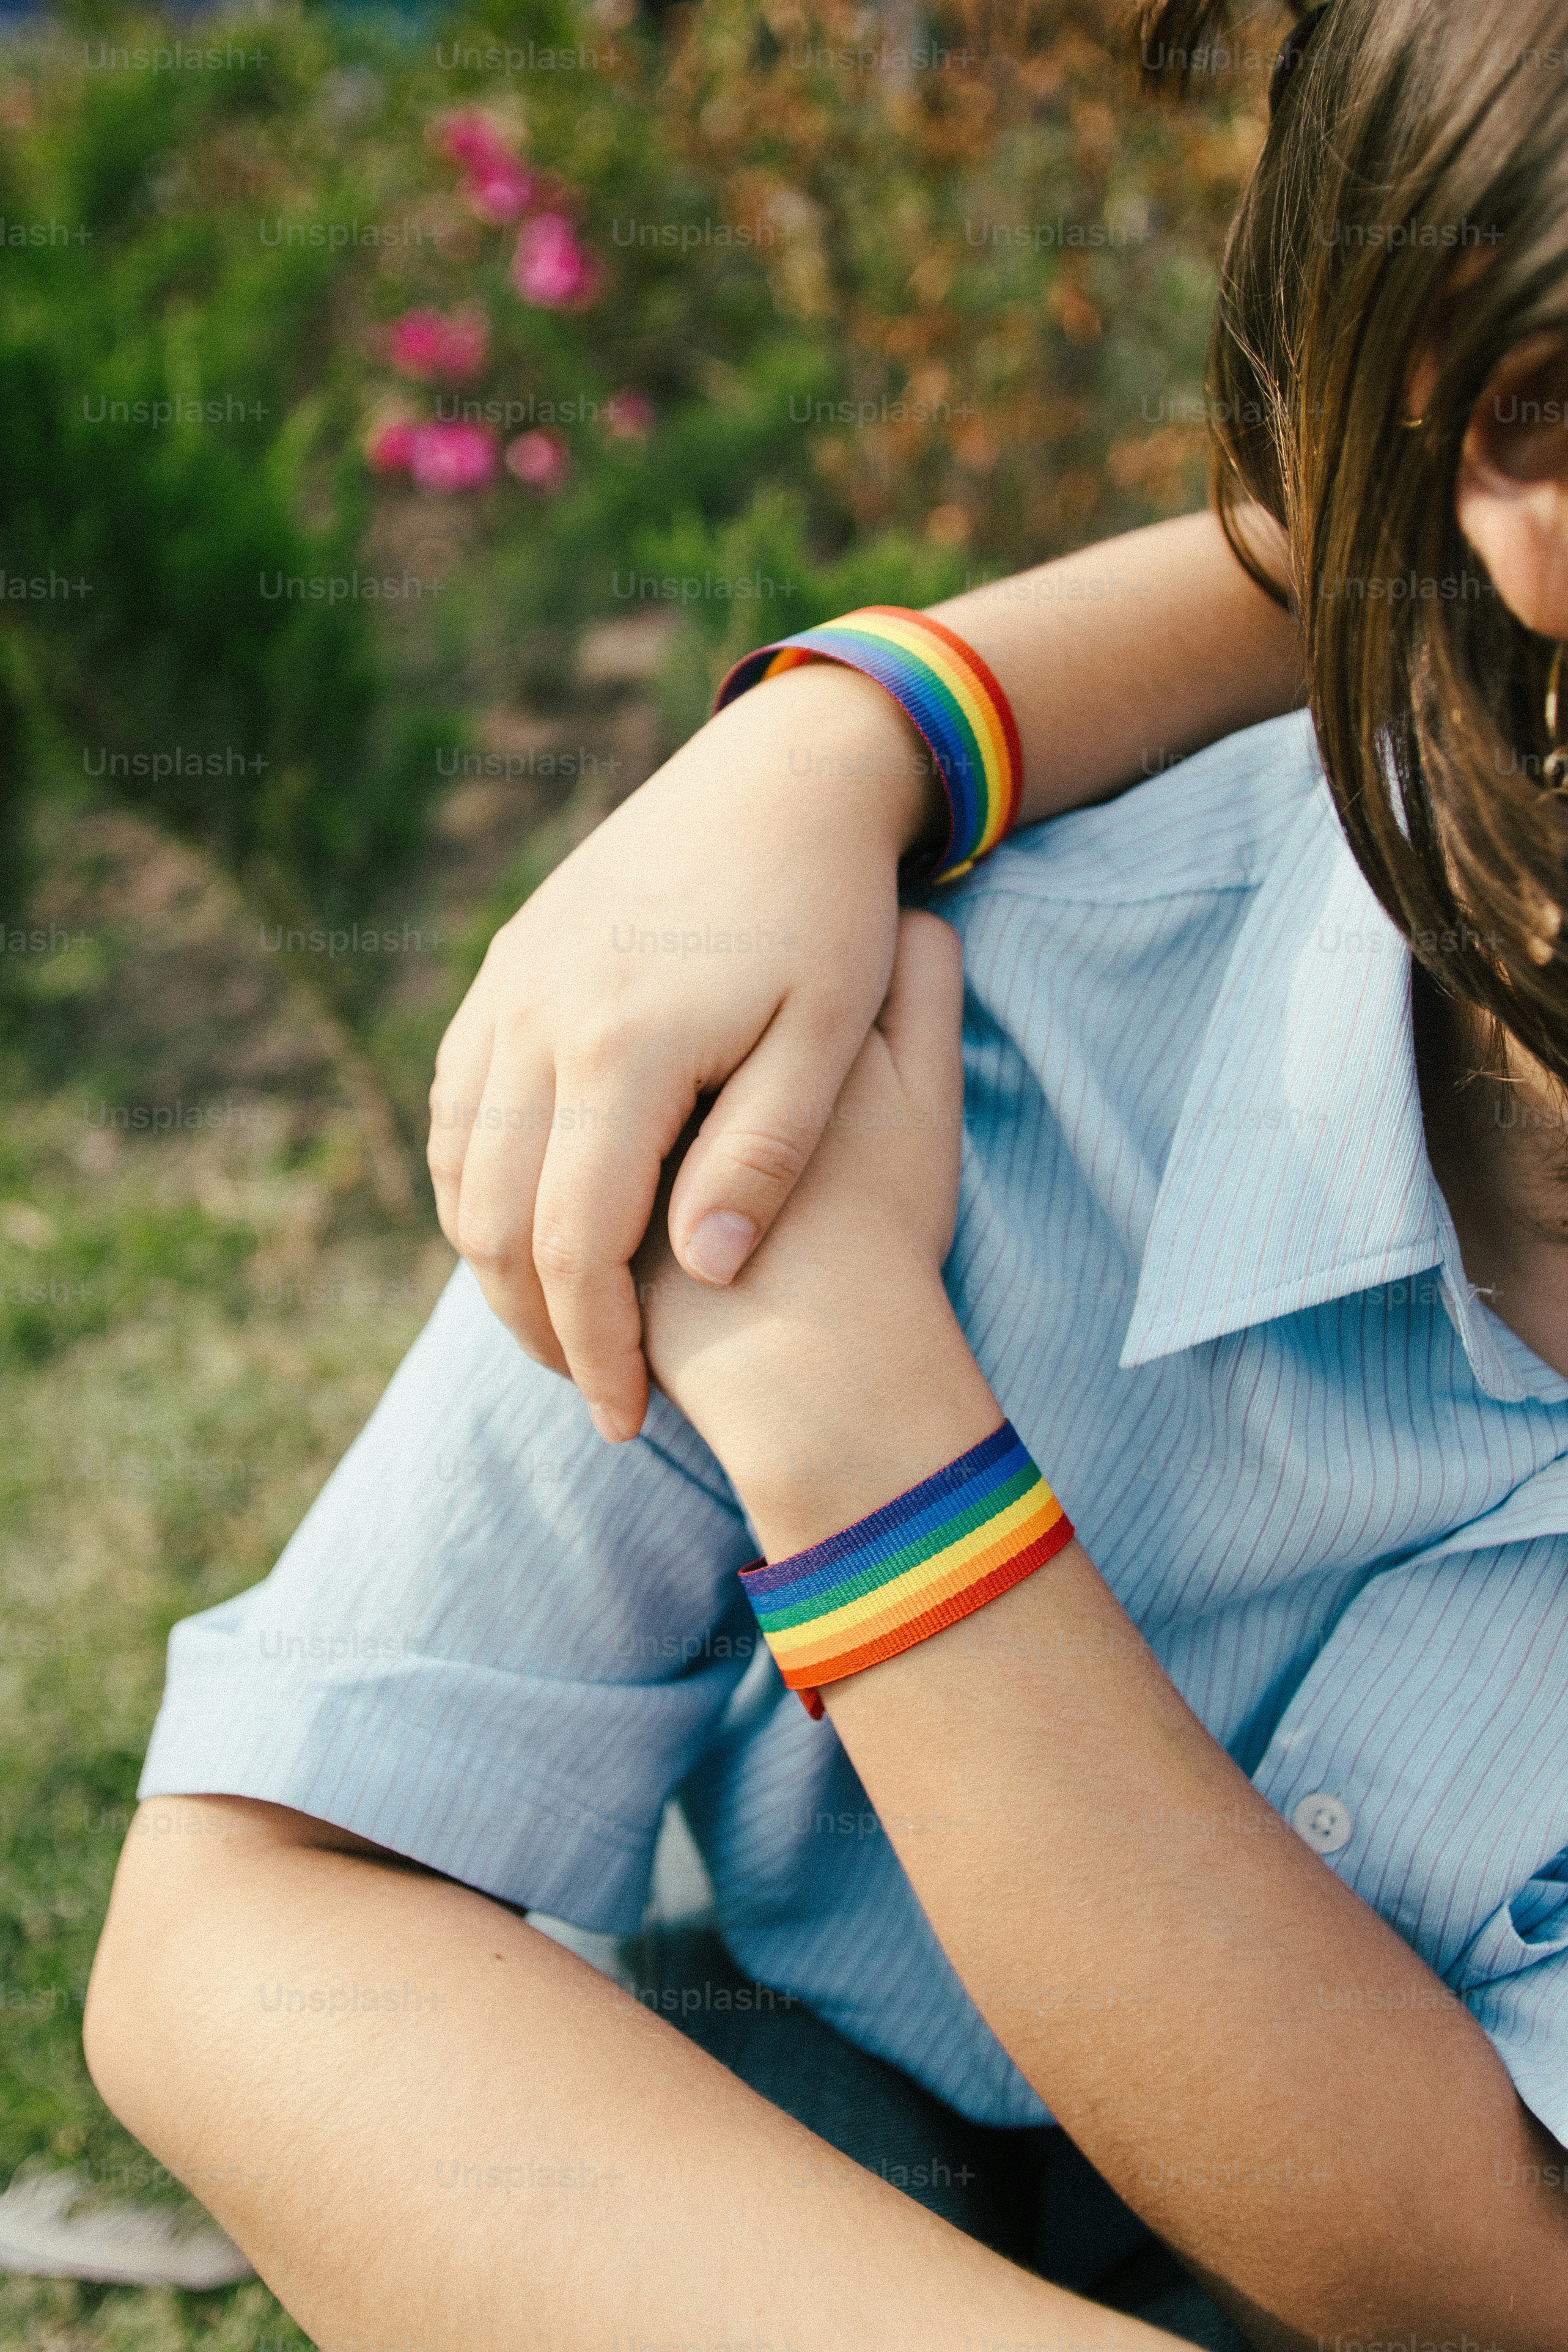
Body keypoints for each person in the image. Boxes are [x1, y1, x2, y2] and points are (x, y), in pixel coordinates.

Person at [83, 2, 1568, 2346]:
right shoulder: (944, 1010)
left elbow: (1493, 2276)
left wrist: (867, 1429)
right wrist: (857, 733)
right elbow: (266, 1907)